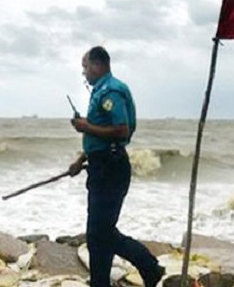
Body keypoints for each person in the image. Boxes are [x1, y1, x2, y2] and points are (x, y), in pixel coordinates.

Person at [69, 46, 165, 287]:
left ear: (99, 65)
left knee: (101, 233)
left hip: (111, 168)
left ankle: (150, 267)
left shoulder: (111, 90)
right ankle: (101, 282)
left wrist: (85, 127)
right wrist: (80, 160)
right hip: (101, 165)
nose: (84, 72)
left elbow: (121, 130)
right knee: (98, 233)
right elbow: (100, 138)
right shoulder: (100, 90)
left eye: (86, 66)